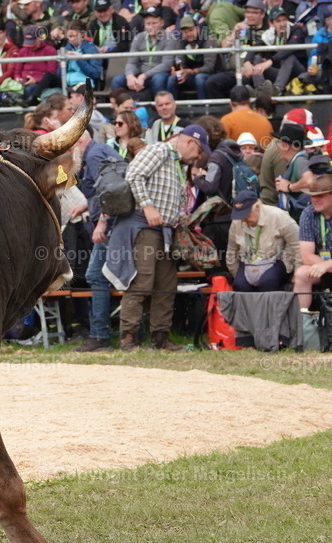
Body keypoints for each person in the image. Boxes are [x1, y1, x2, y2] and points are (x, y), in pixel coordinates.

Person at [105, 124, 209, 351]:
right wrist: (148, 206)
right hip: (145, 226)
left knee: (166, 284)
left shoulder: (176, 164)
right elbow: (134, 174)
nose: (198, 157)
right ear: (191, 142)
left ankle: (160, 338)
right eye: (199, 151)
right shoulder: (159, 150)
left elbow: (174, 200)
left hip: (165, 231)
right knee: (142, 280)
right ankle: (129, 339)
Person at [75, 126, 125, 353]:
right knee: (116, 276)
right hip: (118, 221)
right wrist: (86, 205)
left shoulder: (93, 155)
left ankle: (100, 336)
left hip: (109, 224)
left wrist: (102, 222)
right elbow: (103, 189)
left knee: (95, 275)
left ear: (78, 142)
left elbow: (110, 190)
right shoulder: (101, 150)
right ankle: (130, 333)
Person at [294, 174, 332, 311]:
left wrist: (330, 265)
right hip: (323, 265)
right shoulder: (308, 214)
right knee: (301, 273)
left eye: (320, 195)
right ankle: (301, 324)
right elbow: (306, 255)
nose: (314, 200)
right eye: (312, 195)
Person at [226, 189, 300, 291]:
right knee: (239, 285)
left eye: (246, 214)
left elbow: (298, 245)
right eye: (240, 215)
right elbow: (231, 252)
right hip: (248, 261)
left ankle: (272, 307)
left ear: (257, 206)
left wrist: (297, 273)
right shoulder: (236, 222)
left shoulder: (278, 216)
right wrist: (236, 273)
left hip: (275, 260)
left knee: (268, 281)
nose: (243, 219)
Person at [112, 7, 177, 101]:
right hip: (140, 74)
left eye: (154, 23)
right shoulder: (138, 38)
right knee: (117, 80)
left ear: (162, 23)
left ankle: (158, 108)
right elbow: (131, 61)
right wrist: (130, 76)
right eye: (148, 24)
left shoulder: (169, 38)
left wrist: (144, 76)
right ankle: (121, 109)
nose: (151, 27)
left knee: (158, 79)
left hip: (157, 74)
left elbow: (166, 64)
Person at [273, 123, 314, 222]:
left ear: (285, 146)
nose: (277, 147)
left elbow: (309, 180)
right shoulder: (298, 160)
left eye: (278, 142)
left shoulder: (300, 161)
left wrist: (289, 187)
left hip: (303, 222)